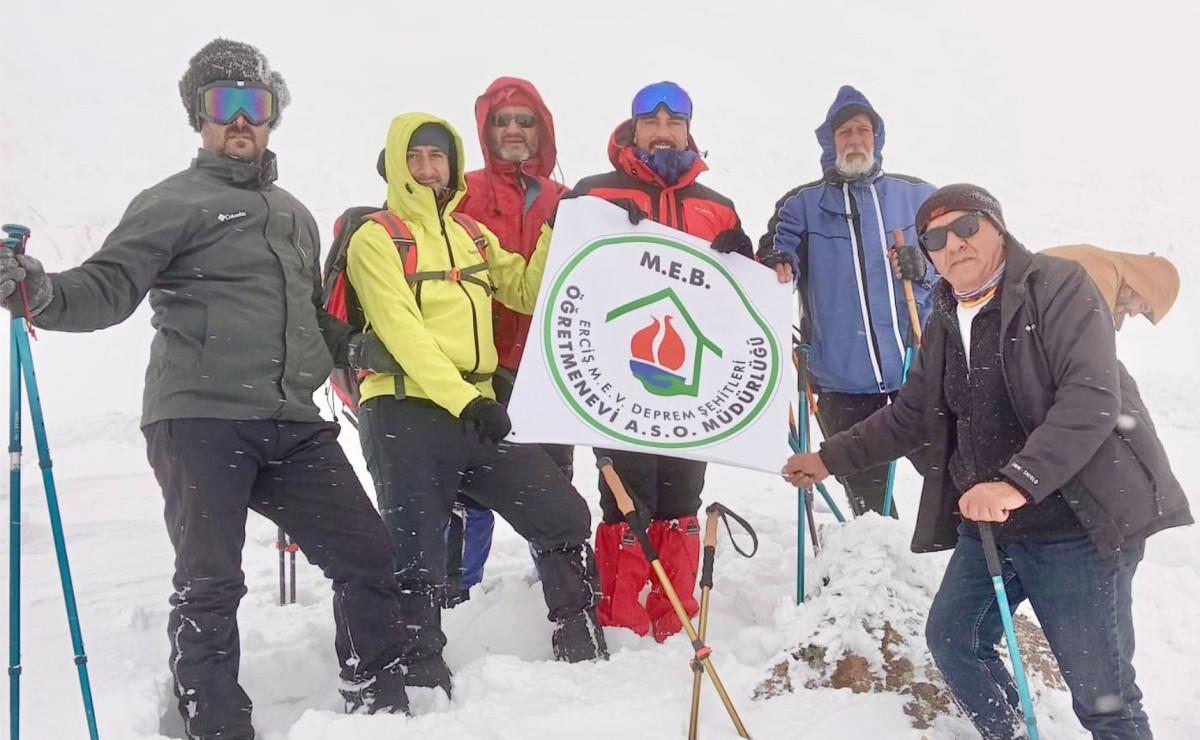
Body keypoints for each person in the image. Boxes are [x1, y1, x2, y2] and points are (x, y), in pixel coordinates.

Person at [0, 39, 413, 737]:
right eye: (226, 105)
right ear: (201, 117)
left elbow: (307, 316)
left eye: (257, 104)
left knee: (367, 552)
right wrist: (40, 290)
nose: (242, 120)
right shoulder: (172, 202)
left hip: (292, 421)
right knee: (210, 579)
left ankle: (381, 697)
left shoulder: (294, 214)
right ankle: (214, 719)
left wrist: (351, 347)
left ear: (273, 115)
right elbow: (108, 286)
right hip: (199, 416)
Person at [782, 184, 1192, 739]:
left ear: (997, 227)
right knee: (954, 642)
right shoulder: (948, 315)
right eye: (935, 238)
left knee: (1105, 701)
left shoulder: (1057, 285)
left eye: (966, 227)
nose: (953, 243)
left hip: (1079, 525)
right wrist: (828, 458)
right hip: (996, 526)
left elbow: (1090, 398)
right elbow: (910, 415)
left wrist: (1015, 482)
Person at [346, 112, 608, 696]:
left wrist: (552, 232)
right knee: (415, 549)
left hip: (475, 407)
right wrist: (466, 398)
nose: (426, 167)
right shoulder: (376, 236)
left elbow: (525, 290)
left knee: (560, 513)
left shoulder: (470, 234)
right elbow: (401, 331)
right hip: (404, 407)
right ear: (394, 164)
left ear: (453, 164)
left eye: (437, 156)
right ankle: (420, 671)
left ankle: (579, 633)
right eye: (413, 157)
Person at [567, 80, 784, 642]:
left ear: (690, 131)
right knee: (626, 492)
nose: (663, 132)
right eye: (651, 122)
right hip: (615, 371)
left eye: (675, 122)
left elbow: (740, 300)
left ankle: (674, 610)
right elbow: (566, 271)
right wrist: (603, 238)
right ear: (633, 129)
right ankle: (622, 618)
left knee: (682, 491)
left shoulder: (716, 206)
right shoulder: (594, 194)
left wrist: (747, 260)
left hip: (693, 377)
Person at [760, 84, 938, 518]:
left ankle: (963, 575)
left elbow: (957, 263)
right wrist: (776, 258)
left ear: (877, 139)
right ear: (830, 141)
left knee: (954, 477)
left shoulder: (918, 196)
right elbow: (777, 254)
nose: (855, 140)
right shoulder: (801, 205)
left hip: (919, 369)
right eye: (844, 132)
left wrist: (926, 268)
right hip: (842, 380)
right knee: (870, 505)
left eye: (863, 130)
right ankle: (882, 579)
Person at [445, 77, 573, 604]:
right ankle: (456, 593)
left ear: (542, 131)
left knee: (550, 481)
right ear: (486, 130)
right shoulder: (460, 192)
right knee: (467, 484)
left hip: (549, 365)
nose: (515, 130)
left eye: (526, 120)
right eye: (503, 120)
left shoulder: (568, 199)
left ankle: (558, 588)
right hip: (476, 365)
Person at [1041, 244, 1179, 329]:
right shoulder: (1107, 279)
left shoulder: (1108, 265)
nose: (1133, 313)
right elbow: (1073, 341)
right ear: (1143, 283)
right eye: (1142, 307)